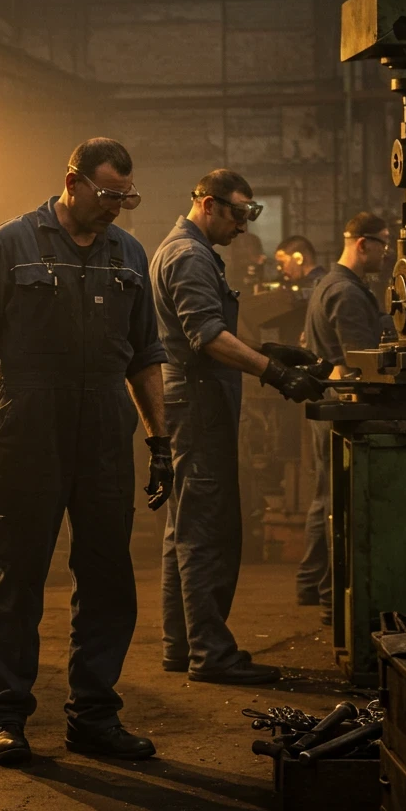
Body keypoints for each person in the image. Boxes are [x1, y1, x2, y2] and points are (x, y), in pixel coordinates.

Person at [0, 138, 173, 767]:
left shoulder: (128, 253)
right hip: (30, 420)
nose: (117, 209)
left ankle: (93, 716)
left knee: (106, 575)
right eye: (107, 195)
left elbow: (148, 357)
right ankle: (8, 716)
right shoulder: (10, 245)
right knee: (18, 574)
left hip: (103, 423)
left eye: (127, 197)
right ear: (71, 181)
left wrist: (160, 441)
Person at [150, 170, 328, 686]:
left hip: (193, 398)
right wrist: (274, 373)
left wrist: (271, 351)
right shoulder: (188, 255)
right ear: (209, 204)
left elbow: (206, 333)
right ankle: (211, 653)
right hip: (198, 403)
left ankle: (181, 647)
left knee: (184, 526)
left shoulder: (188, 250)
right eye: (240, 214)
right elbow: (206, 337)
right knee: (206, 528)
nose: (245, 228)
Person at [299, 212, 393, 623]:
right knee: (337, 500)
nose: (386, 253)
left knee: (326, 496)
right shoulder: (347, 293)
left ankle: (312, 584)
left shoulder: (335, 284)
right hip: (340, 404)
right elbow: (360, 363)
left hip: (329, 402)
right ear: (362, 244)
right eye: (383, 244)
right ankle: (328, 596)